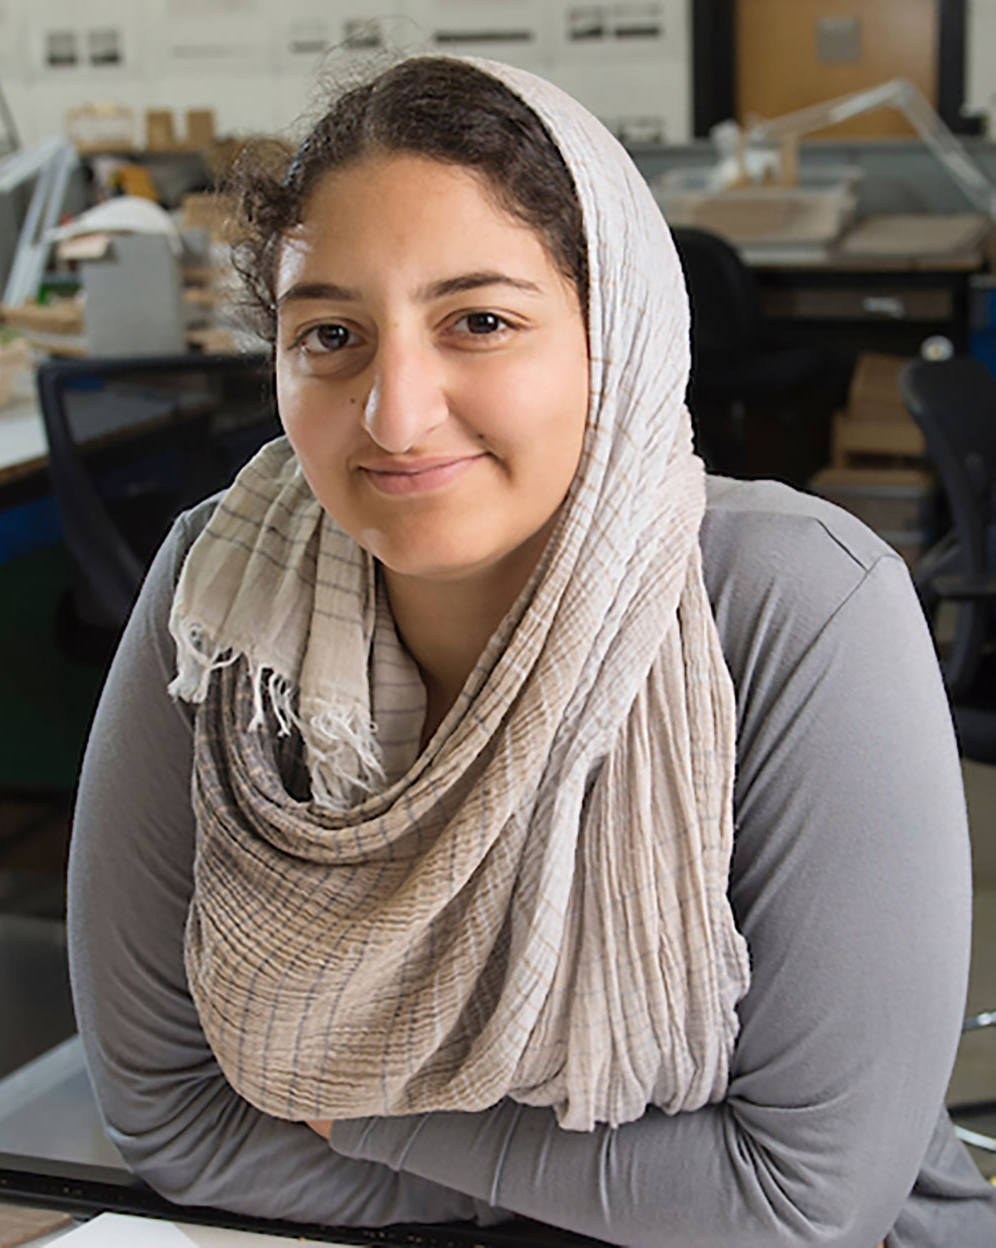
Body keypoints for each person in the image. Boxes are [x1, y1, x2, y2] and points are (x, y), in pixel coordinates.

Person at [67, 55, 996, 1247]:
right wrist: (626, 1193)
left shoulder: (795, 606)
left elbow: (796, 1207)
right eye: (332, 333)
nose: (395, 415)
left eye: (482, 322)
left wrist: (358, 1123)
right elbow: (169, 1116)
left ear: (618, 335)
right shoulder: (219, 597)